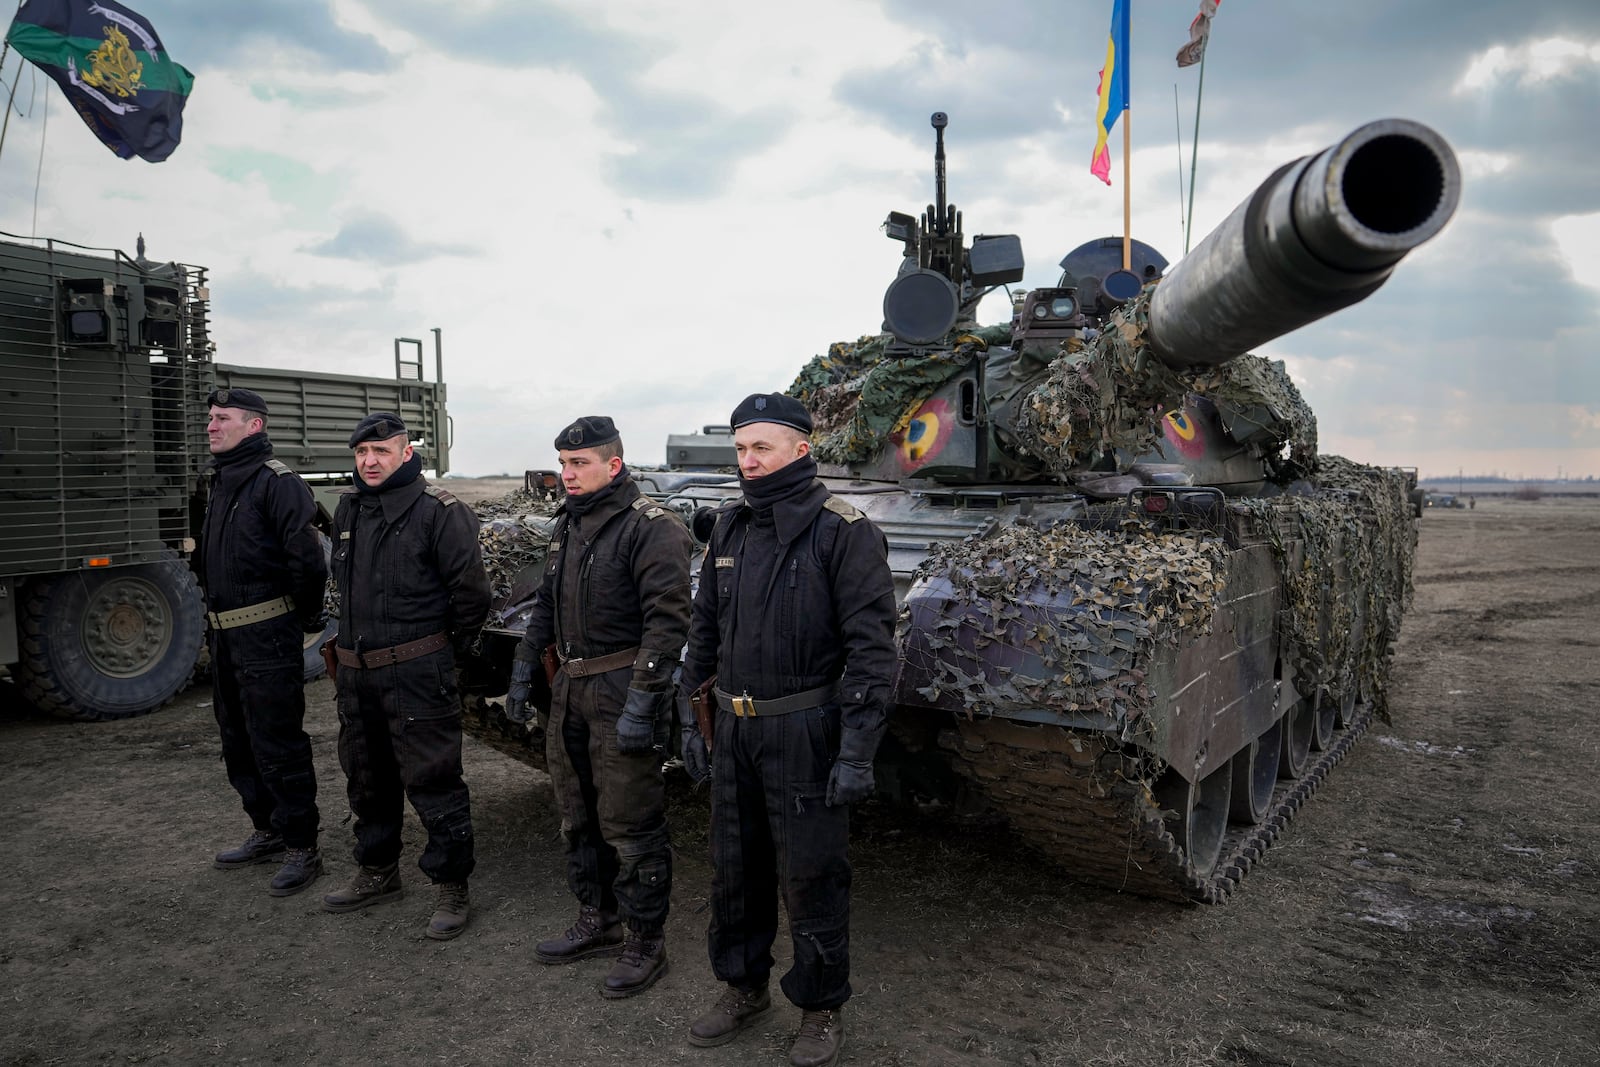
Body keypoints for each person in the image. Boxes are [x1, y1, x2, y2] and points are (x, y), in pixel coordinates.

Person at [681, 393, 896, 1067]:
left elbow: (872, 651)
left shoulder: (842, 530)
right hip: (737, 729)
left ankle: (820, 1005)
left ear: (802, 450)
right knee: (734, 869)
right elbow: (704, 631)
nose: (748, 460)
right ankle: (742, 986)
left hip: (807, 728)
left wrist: (857, 749)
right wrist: (691, 714)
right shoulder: (731, 528)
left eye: (762, 448)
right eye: (741, 448)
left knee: (811, 876)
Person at [506, 415, 693, 998]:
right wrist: (521, 668)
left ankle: (644, 940)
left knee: (630, 822)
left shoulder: (651, 528)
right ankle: (599, 918)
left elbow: (668, 622)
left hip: (621, 687)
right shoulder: (570, 524)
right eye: (563, 464)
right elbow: (547, 604)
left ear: (613, 465)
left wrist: (645, 702)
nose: (567, 474)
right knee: (577, 812)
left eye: (579, 463)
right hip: (572, 688)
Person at [320, 412, 491, 940]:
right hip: (357, 672)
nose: (369, 463)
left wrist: (441, 654)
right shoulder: (348, 509)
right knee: (366, 778)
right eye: (361, 454)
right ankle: (377, 870)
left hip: (418, 670)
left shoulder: (439, 512)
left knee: (433, 779)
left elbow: (472, 596)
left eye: (381, 452)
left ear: (406, 453)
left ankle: (451, 886)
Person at [200, 387, 330, 897]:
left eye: (222, 418)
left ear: (253, 425)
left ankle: (302, 846)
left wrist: (299, 621)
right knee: (237, 739)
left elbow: (307, 562)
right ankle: (268, 830)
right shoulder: (224, 483)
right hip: (226, 638)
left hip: (267, 634)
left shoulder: (277, 483)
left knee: (278, 743)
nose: (210, 426)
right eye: (210, 418)